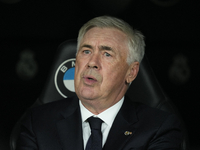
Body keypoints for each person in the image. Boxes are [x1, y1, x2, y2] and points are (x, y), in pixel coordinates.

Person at [17, 16, 183, 150]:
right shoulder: (37, 123)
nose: (92, 62)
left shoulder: (160, 128)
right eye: (86, 51)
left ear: (131, 72)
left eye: (107, 54)